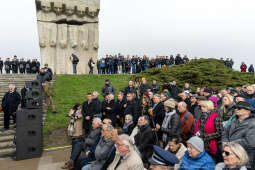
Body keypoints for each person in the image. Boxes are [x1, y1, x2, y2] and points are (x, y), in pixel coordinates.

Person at [222, 101, 255, 169]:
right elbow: (225, 132)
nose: (236, 109)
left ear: (248, 111)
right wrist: (224, 141)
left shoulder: (253, 123)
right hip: (230, 155)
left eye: (239, 108)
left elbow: (250, 142)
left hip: (244, 157)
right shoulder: (234, 120)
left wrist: (230, 144)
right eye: (235, 107)